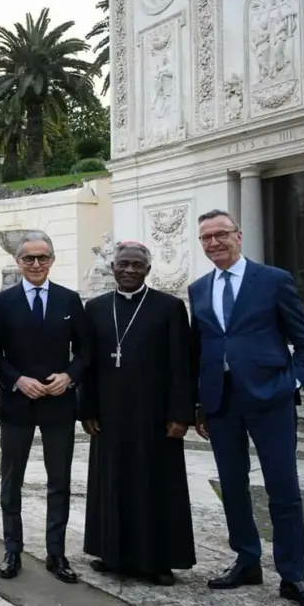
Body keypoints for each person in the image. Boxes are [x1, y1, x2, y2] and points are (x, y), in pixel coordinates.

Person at [189, 209, 304, 606]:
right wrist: (199, 402)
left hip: (271, 399)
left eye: (220, 235)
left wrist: (292, 383)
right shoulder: (198, 289)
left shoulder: (273, 280)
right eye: (206, 238)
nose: (213, 243)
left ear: (239, 235)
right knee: (232, 486)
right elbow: (199, 349)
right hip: (221, 404)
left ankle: (293, 575)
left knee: (282, 489)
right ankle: (246, 560)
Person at [79, 241, 196, 586]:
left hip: (154, 415)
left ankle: (157, 560)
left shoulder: (170, 307)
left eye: (136, 265)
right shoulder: (96, 308)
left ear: (148, 269)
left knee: (155, 485)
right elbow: (88, 363)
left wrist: (180, 414)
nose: (129, 270)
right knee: (111, 482)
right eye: (123, 264)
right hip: (110, 414)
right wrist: (87, 408)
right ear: (112, 268)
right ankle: (111, 553)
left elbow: (181, 365)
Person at [0, 231, 89, 583]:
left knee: (59, 481)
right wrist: (17, 380)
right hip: (17, 403)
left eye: (42, 257)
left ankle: (56, 553)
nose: (35, 264)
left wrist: (69, 376)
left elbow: (85, 351)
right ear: (18, 262)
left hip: (58, 405)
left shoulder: (69, 300)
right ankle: (12, 549)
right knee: (11, 480)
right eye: (28, 258)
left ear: (52, 260)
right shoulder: (1, 303)